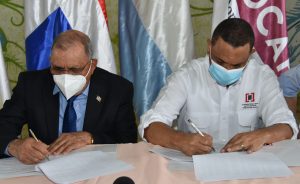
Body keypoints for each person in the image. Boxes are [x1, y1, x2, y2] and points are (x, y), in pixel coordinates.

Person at [139, 18, 298, 156]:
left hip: (247, 166)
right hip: (192, 166)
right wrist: (180, 140)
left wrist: (262, 135)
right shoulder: (186, 76)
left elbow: (287, 126)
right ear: (209, 46)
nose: (227, 70)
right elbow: (150, 126)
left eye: (237, 65)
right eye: (220, 62)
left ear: (251, 54)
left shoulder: (262, 77)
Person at [0, 30, 137, 164]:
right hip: (45, 170)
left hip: (96, 169)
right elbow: (4, 124)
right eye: (58, 69)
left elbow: (128, 140)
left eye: (74, 69)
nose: (66, 76)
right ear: (51, 62)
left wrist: (91, 138)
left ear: (92, 65)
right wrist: (15, 146)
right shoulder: (31, 85)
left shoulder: (117, 89)